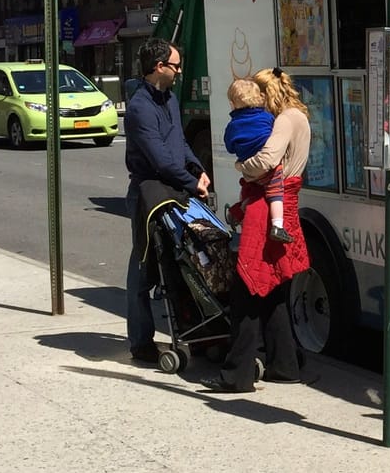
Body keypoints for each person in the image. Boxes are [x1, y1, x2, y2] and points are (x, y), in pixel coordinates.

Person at [201, 67, 312, 393]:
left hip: (267, 208)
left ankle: (237, 375)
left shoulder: (284, 120)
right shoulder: (300, 117)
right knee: (272, 291)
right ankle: (284, 364)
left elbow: (265, 160)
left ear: (268, 92)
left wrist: (239, 167)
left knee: (247, 290)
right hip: (285, 204)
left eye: (260, 94)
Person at [124, 37, 210, 363]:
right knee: (143, 269)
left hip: (175, 189)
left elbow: (180, 143)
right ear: (158, 67)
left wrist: (198, 169)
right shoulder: (139, 108)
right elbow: (159, 159)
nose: (179, 71)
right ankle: (141, 342)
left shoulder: (169, 99)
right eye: (174, 65)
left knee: (187, 263)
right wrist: (192, 182)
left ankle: (197, 330)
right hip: (148, 194)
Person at [223, 77, 292, 244]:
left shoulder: (233, 125)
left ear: (233, 104)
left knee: (252, 190)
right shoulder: (267, 118)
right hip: (269, 169)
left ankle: (240, 210)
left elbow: (230, 147)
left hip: (248, 170)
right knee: (275, 193)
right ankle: (277, 226)